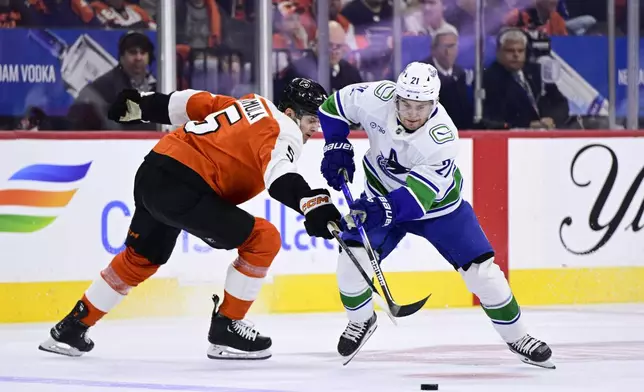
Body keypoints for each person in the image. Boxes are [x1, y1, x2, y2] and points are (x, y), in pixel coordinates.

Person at [39, 78, 342, 361]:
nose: (315, 128)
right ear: (290, 112)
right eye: (312, 119)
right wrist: (311, 202)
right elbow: (280, 175)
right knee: (264, 239)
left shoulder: (252, 103)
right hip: (184, 187)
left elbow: (193, 102)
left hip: (154, 170)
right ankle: (227, 327)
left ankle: (71, 328)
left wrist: (143, 104)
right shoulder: (285, 129)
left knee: (141, 258)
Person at [317, 62, 555, 369]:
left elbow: (416, 202)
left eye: (422, 106)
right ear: (396, 98)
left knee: (484, 274)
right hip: (380, 194)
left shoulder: (442, 138)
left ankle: (518, 337)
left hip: (439, 210)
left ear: (435, 103)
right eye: (406, 104)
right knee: (351, 260)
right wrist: (336, 146)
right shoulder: (376, 97)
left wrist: (374, 212)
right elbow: (331, 107)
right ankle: (361, 321)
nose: (413, 114)